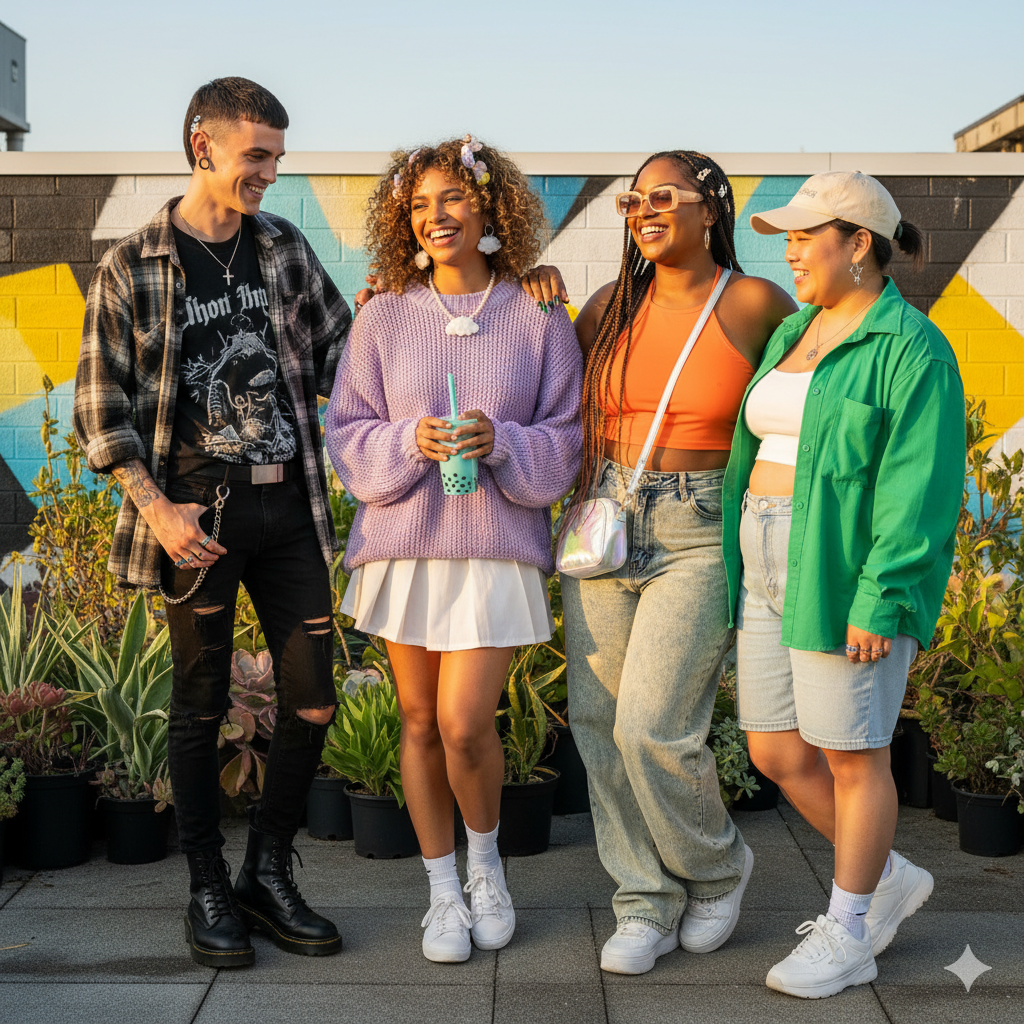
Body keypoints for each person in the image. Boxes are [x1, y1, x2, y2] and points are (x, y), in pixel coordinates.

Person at [73, 77, 350, 967]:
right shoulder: (134, 264)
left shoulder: (284, 247)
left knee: (313, 697)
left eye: (277, 156)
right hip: (198, 516)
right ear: (204, 145)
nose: (269, 171)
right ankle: (206, 886)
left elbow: (349, 355)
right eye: (256, 155)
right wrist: (157, 510)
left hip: (289, 507)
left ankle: (265, 873)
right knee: (199, 707)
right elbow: (100, 409)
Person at [525, 151, 796, 975]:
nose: (644, 211)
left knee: (653, 725)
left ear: (709, 209)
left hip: (700, 527)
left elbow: (810, 389)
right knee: (600, 724)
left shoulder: (754, 302)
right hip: (605, 517)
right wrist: (525, 296)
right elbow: (542, 385)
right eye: (633, 201)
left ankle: (716, 868)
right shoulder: (608, 305)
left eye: (664, 197)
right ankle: (644, 899)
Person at [325, 136, 582, 963]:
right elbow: (347, 430)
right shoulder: (382, 313)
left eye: (453, 198)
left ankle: (486, 868)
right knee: (417, 720)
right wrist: (411, 440)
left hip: (494, 548)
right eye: (419, 205)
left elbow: (567, 437)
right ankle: (441, 893)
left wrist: (501, 440)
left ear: (489, 206)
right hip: (405, 546)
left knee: (466, 724)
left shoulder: (539, 313)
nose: (435, 217)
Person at [723, 171, 964, 998]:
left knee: (854, 755)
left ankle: (852, 928)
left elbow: (919, 489)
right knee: (775, 749)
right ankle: (885, 877)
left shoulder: (911, 347)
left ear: (859, 243)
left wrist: (882, 597)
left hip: (841, 567)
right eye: (786, 238)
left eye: (804, 237)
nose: (789, 252)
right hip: (764, 559)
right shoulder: (794, 330)